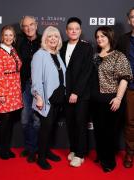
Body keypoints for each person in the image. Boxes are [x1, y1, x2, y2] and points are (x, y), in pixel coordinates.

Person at [91, 26, 132, 172]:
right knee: (99, 131)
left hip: (111, 100)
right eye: (97, 37)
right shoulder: (95, 56)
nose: (100, 39)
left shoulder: (118, 56)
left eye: (103, 36)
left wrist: (118, 98)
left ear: (110, 37)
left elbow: (124, 79)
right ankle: (101, 155)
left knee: (109, 133)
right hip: (95, 101)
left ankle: (109, 161)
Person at [31, 26, 66, 170]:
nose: (53, 39)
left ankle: (46, 151)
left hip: (58, 98)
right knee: (45, 128)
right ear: (45, 39)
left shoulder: (56, 54)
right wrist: (38, 97)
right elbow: (36, 79)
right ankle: (41, 157)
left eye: (56, 36)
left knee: (51, 128)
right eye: (50, 36)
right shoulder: (40, 55)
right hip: (46, 99)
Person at [60, 17, 93, 167]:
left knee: (80, 123)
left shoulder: (86, 47)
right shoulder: (62, 46)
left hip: (81, 94)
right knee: (71, 123)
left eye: (76, 28)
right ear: (66, 31)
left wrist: (76, 92)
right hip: (65, 93)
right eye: (70, 28)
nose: (73, 31)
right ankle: (74, 149)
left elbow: (86, 72)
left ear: (80, 31)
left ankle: (80, 154)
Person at [0, 25, 23, 160]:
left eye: (11, 35)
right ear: (2, 37)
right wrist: (0, 93)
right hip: (3, 90)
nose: (8, 37)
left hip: (14, 90)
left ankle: (6, 148)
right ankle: (1, 149)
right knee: (4, 121)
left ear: (14, 37)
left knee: (9, 122)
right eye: (6, 35)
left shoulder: (13, 50)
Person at [16, 16, 41, 162]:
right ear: (22, 28)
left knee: (37, 120)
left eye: (31, 25)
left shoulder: (44, 40)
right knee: (25, 119)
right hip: (24, 85)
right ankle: (30, 147)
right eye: (25, 26)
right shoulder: (18, 40)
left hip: (39, 87)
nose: (29, 28)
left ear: (36, 25)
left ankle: (36, 149)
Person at [116, 7, 134, 168]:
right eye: (133, 17)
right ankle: (130, 152)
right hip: (130, 88)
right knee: (130, 123)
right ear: (129, 20)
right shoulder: (123, 40)